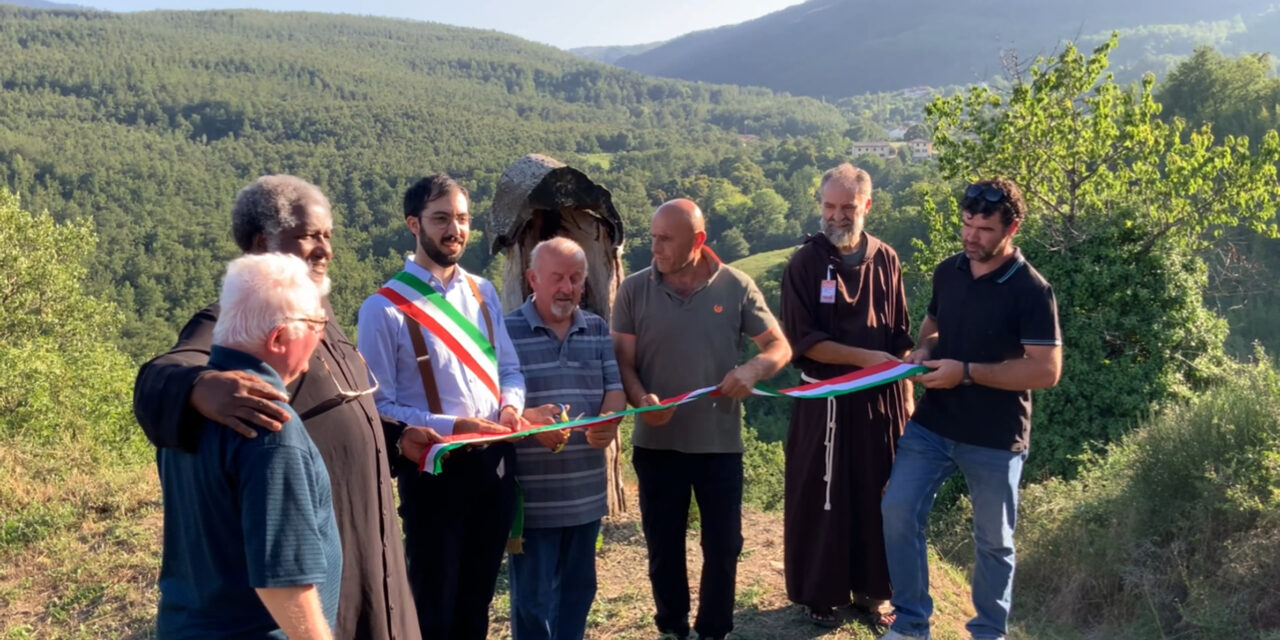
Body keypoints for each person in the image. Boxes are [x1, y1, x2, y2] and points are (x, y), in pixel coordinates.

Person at [134, 175, 419, 640]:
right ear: (262, 243)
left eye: (328, 235)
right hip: (304, 575)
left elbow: (336, 411)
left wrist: (397, 437)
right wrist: (199, 386)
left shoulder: (315, 318)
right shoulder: (236, 321)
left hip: (371, 546)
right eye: (310, 235)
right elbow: (158, 377)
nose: (325, 249)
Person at [878, 178, 1063, 640]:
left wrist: (966, 372)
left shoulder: (1032, 290)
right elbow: (934, 329)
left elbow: (1045, 371)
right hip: (933, 424)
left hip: (996, 437)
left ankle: (987, 632)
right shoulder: (949, 271)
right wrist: (921, 352)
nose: (970, 236)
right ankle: (910, 622)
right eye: (965, 224)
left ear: (1011, 227)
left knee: (994, 543)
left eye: (982, 228)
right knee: (898, 510)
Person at [612, 199, 792, 640]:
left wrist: (752, 370)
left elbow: (779, 347)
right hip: (656, 444)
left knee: (725, 546)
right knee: (663, 545)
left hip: (719, 443)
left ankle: (714, 631)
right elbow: (622, 362)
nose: (654, 247)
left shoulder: (736, 286)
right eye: (652, 236)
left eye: (665, 239)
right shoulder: (634, 289)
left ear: (697, 241)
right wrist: (641, 400)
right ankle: (672, 627)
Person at [357, 173, 526, 640]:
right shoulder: (383, 309)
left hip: (495, 464)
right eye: (441, 219)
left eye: (462, 218)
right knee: (434, 604)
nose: (455, 229)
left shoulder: (482, 293)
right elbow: (380, 407)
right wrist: (454, 424)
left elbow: (510, 370)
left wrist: (511, 407)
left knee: (478, 601)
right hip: (435, 471)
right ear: (414, 224)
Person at [155, 253, 341, 639]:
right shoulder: (269, 426)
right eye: (316, 325)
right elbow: (284, 583)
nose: (321, 338)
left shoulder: (186, 408)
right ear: (278, 337)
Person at [780, 164, 914, 628]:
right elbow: (804, 339)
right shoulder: (805, 264)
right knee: (823, 498)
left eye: (847, 207)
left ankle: (874, 593)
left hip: (882, 405)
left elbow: (900, 337)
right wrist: (867, 360)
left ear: (867, 207)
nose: (836, 217)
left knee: (880, 498)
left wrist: (908, 390)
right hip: (826, 403)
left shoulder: (887, 259)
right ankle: (821, 594)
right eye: (829, 206)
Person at [503, 237, 626, 640]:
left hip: (586, 496)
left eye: (575, 278)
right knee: (532, 601)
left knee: (578, 593)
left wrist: (609, 419)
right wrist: (530, 425)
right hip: (533, 501)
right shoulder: (506, 332)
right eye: (557, 278)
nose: (567, 288)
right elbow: (494, 404)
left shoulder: (596, 328)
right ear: (532, 279)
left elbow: (615, 388)